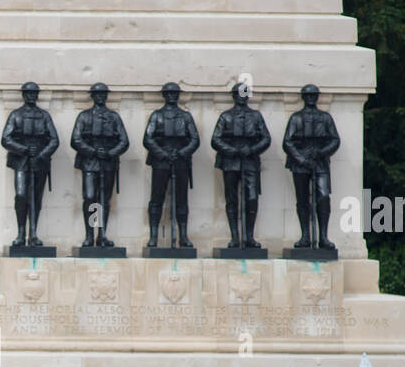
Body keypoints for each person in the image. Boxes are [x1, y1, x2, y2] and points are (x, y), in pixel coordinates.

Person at [211, 81, 271, 249]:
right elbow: (216, 139)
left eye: (245, 94)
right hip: (231, 162)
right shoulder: (226, 116)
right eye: (239, 94)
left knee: (251, 198)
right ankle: (235, 237)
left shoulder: (256, 116)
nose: (242, 97)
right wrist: (231, 150)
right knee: (232, 200)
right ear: (234, 96)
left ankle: (249, 237)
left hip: (250, 161)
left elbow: (266, 138)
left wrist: (251, 149)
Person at [0, 81, 60, 248]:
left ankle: (33, 233)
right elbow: (6, 139)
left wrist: (42, 154)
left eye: (34, 93)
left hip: (39, 162)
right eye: (28, 93)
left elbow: (54, 140)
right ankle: (20, 233)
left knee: (35, 197)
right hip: (21, 161)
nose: (31, 96)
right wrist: (24, 149)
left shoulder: (44, 116)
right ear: (24, 95)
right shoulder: (16, 115)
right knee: (21, 196)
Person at [71, 83, 129, 248]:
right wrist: (92, 151)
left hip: (108, 163)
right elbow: (75, 139)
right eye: (97, 94)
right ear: (93, 96)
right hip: (90, 162)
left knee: (104, 199)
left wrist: (110, 153)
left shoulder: (114, 117)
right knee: (90, 197)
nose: (101, 97)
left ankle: (102, 234)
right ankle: (90, 234)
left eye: (103, 94)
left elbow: (124, 141)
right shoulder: (84, 116)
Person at [282, 83, 340, 249]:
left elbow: (335, 140)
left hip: (320, 162)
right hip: (300, 163)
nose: (310, 99)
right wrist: (301, 158)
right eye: (307, 96)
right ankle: (305, 236)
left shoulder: (325, 118)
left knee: (323, 198)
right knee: (302, 199)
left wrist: (321, 153)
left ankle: (323, 237)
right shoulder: (296, 118)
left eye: (313, 95)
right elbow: (288, 142)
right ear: (303, 98)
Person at [142, 82, 200, 248]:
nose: (172, 96)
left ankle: (183, 236)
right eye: (169, 93)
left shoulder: (186, 116)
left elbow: (195, 139)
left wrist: (181, 153)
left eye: (175, 93)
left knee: (181, 200)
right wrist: (162, 154)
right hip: (161, 162)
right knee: (156, 199)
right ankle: (153, 236)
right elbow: (148, 138)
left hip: (180, 161)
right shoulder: (156, 115)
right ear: (164, 95)